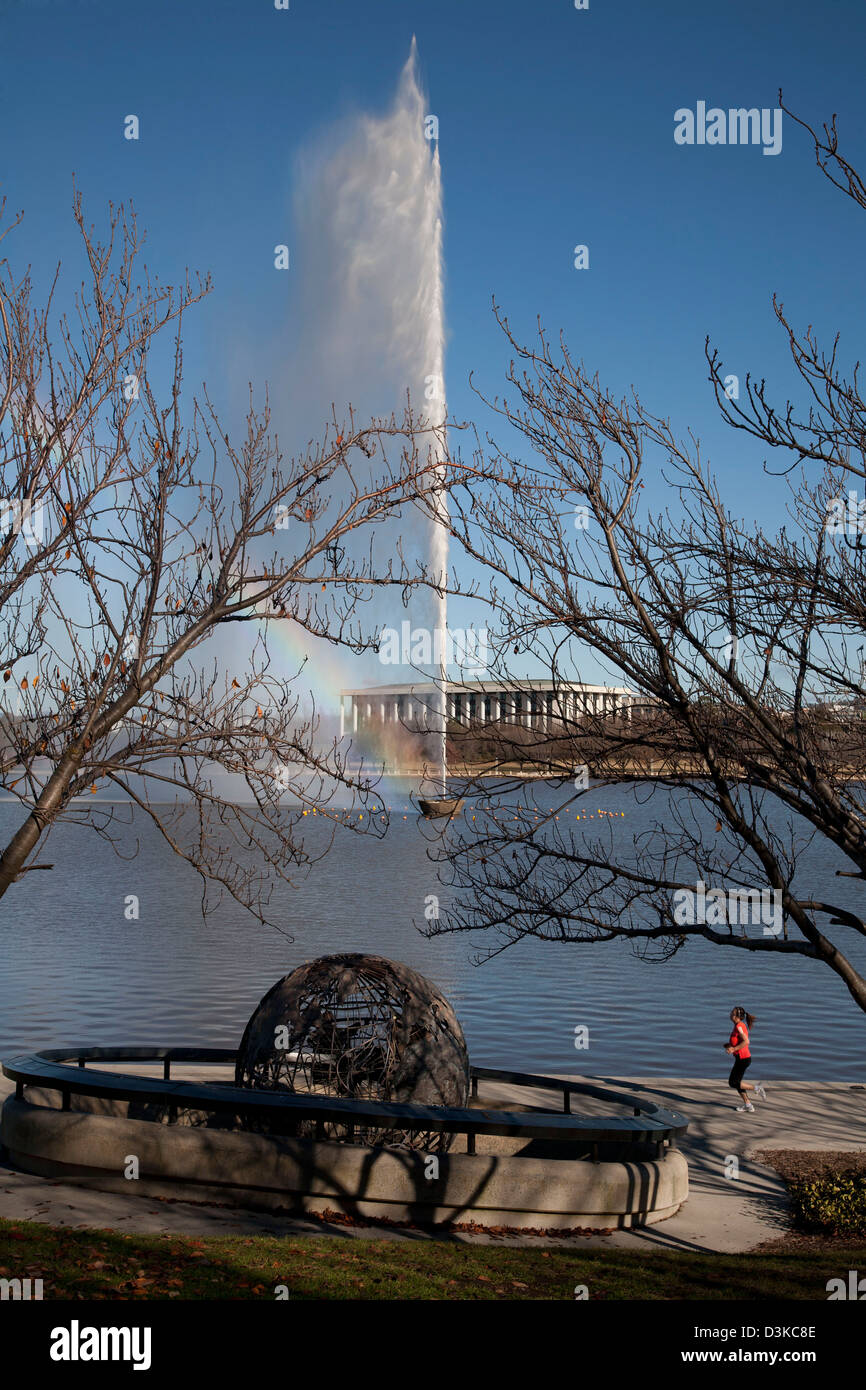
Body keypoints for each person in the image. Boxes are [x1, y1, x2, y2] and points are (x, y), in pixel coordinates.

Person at [724, 1006, 767, 1112]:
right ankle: (748, 1105)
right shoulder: (738, 1025)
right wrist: (729, 1045)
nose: (730, 1014)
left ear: (736, 1016)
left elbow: (746, 1041)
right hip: (741, 1059)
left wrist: (733, 1048)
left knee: (733, 1082)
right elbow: (738, 1041)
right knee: (738, 1082)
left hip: (743, 1059)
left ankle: (757, 1088)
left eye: (732, 1013)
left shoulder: (739, 1026)